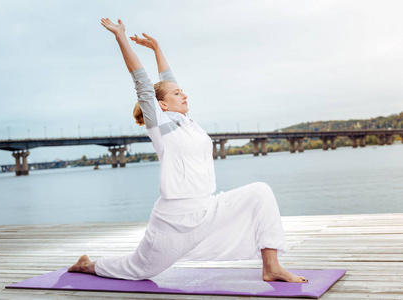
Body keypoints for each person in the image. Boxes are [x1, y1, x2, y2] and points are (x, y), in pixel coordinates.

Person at [68, 18, 308, 283]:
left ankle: (271, 267)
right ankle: (87, 265)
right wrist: (121, 37)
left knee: (260, 192)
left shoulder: (189, 123)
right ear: (161, 105)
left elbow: (168, 81)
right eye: (177, 94)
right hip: (175, 222)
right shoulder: (161, 126)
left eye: (183, 91)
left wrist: (157, 49)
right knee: (137, 270)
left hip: (208, 208)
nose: (184, 95)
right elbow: (143, 84)